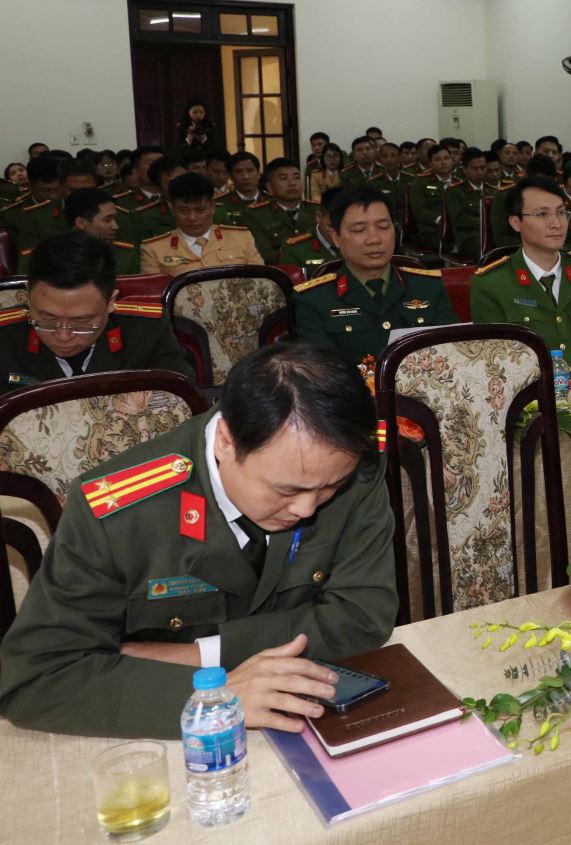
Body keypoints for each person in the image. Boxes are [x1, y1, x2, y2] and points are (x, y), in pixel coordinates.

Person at [0, 343, 397, 738]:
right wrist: (217, 696)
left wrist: (203, 657)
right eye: (287, 490)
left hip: (309, 715)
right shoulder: (119, 511)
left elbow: (363, 616)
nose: (307, 508)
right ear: (226, 440)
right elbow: (37, 678)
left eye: (328, 487)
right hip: (172, 741)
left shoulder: (348, 469)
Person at [0, 231, 194, 391]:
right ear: (28, 298)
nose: (64, 336)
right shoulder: (5, 339)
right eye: (47, 318)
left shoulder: (145, 333)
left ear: (111, 302)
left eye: (82, 321)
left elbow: (180, 402)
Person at [472, 177, 571, 377]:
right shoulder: (491, 283)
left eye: (561, 213)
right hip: (531, 401)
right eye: (542, 214)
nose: (556, 224)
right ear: (516, 222)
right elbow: (494, 366)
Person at [294, 187, 457, 364]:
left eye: (383, 227)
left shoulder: (428, 286)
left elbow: (453, 354)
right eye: (359, 230)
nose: (374, 239)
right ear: (336, 238)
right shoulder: (314, 299)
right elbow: (321, 374)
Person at [140, 173, 264, 276]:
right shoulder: (154, 249)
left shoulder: (242, 238)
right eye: (183, 210)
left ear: (213, 207)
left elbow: (261, 282)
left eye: (200, 210)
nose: (192, 218)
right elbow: (152, 296)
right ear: (173, 209)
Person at [247, 159, 317, 260]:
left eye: (297, 177)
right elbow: (265, 254)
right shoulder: (256, 215)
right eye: (284, 178)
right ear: (270, 187)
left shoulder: (317, 210)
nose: (292, 183)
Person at [65, 187, 141, 273]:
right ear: (81, 223)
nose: (115, 226)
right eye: (107, 220)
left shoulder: (126, 256)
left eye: (114, 219)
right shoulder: (54, 256)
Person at [444, 148, 493, 259]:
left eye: (483, 168)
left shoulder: (493, 190)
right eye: (474, 168)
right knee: (487, 249)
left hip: (492, 234)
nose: (480, 172)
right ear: (464, 170)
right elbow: (459, 220)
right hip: (469, 237)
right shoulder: (454, 191)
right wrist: (489, 223)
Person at [405, 144, 455, 248]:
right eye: (438, 159)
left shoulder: (460, 182)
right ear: (430, 164)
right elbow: (419, 210)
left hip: (458, 228)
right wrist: (441, 220)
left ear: (452, 160)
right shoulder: (420, 182)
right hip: (432, 230)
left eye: (447, 158)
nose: (443, 162)